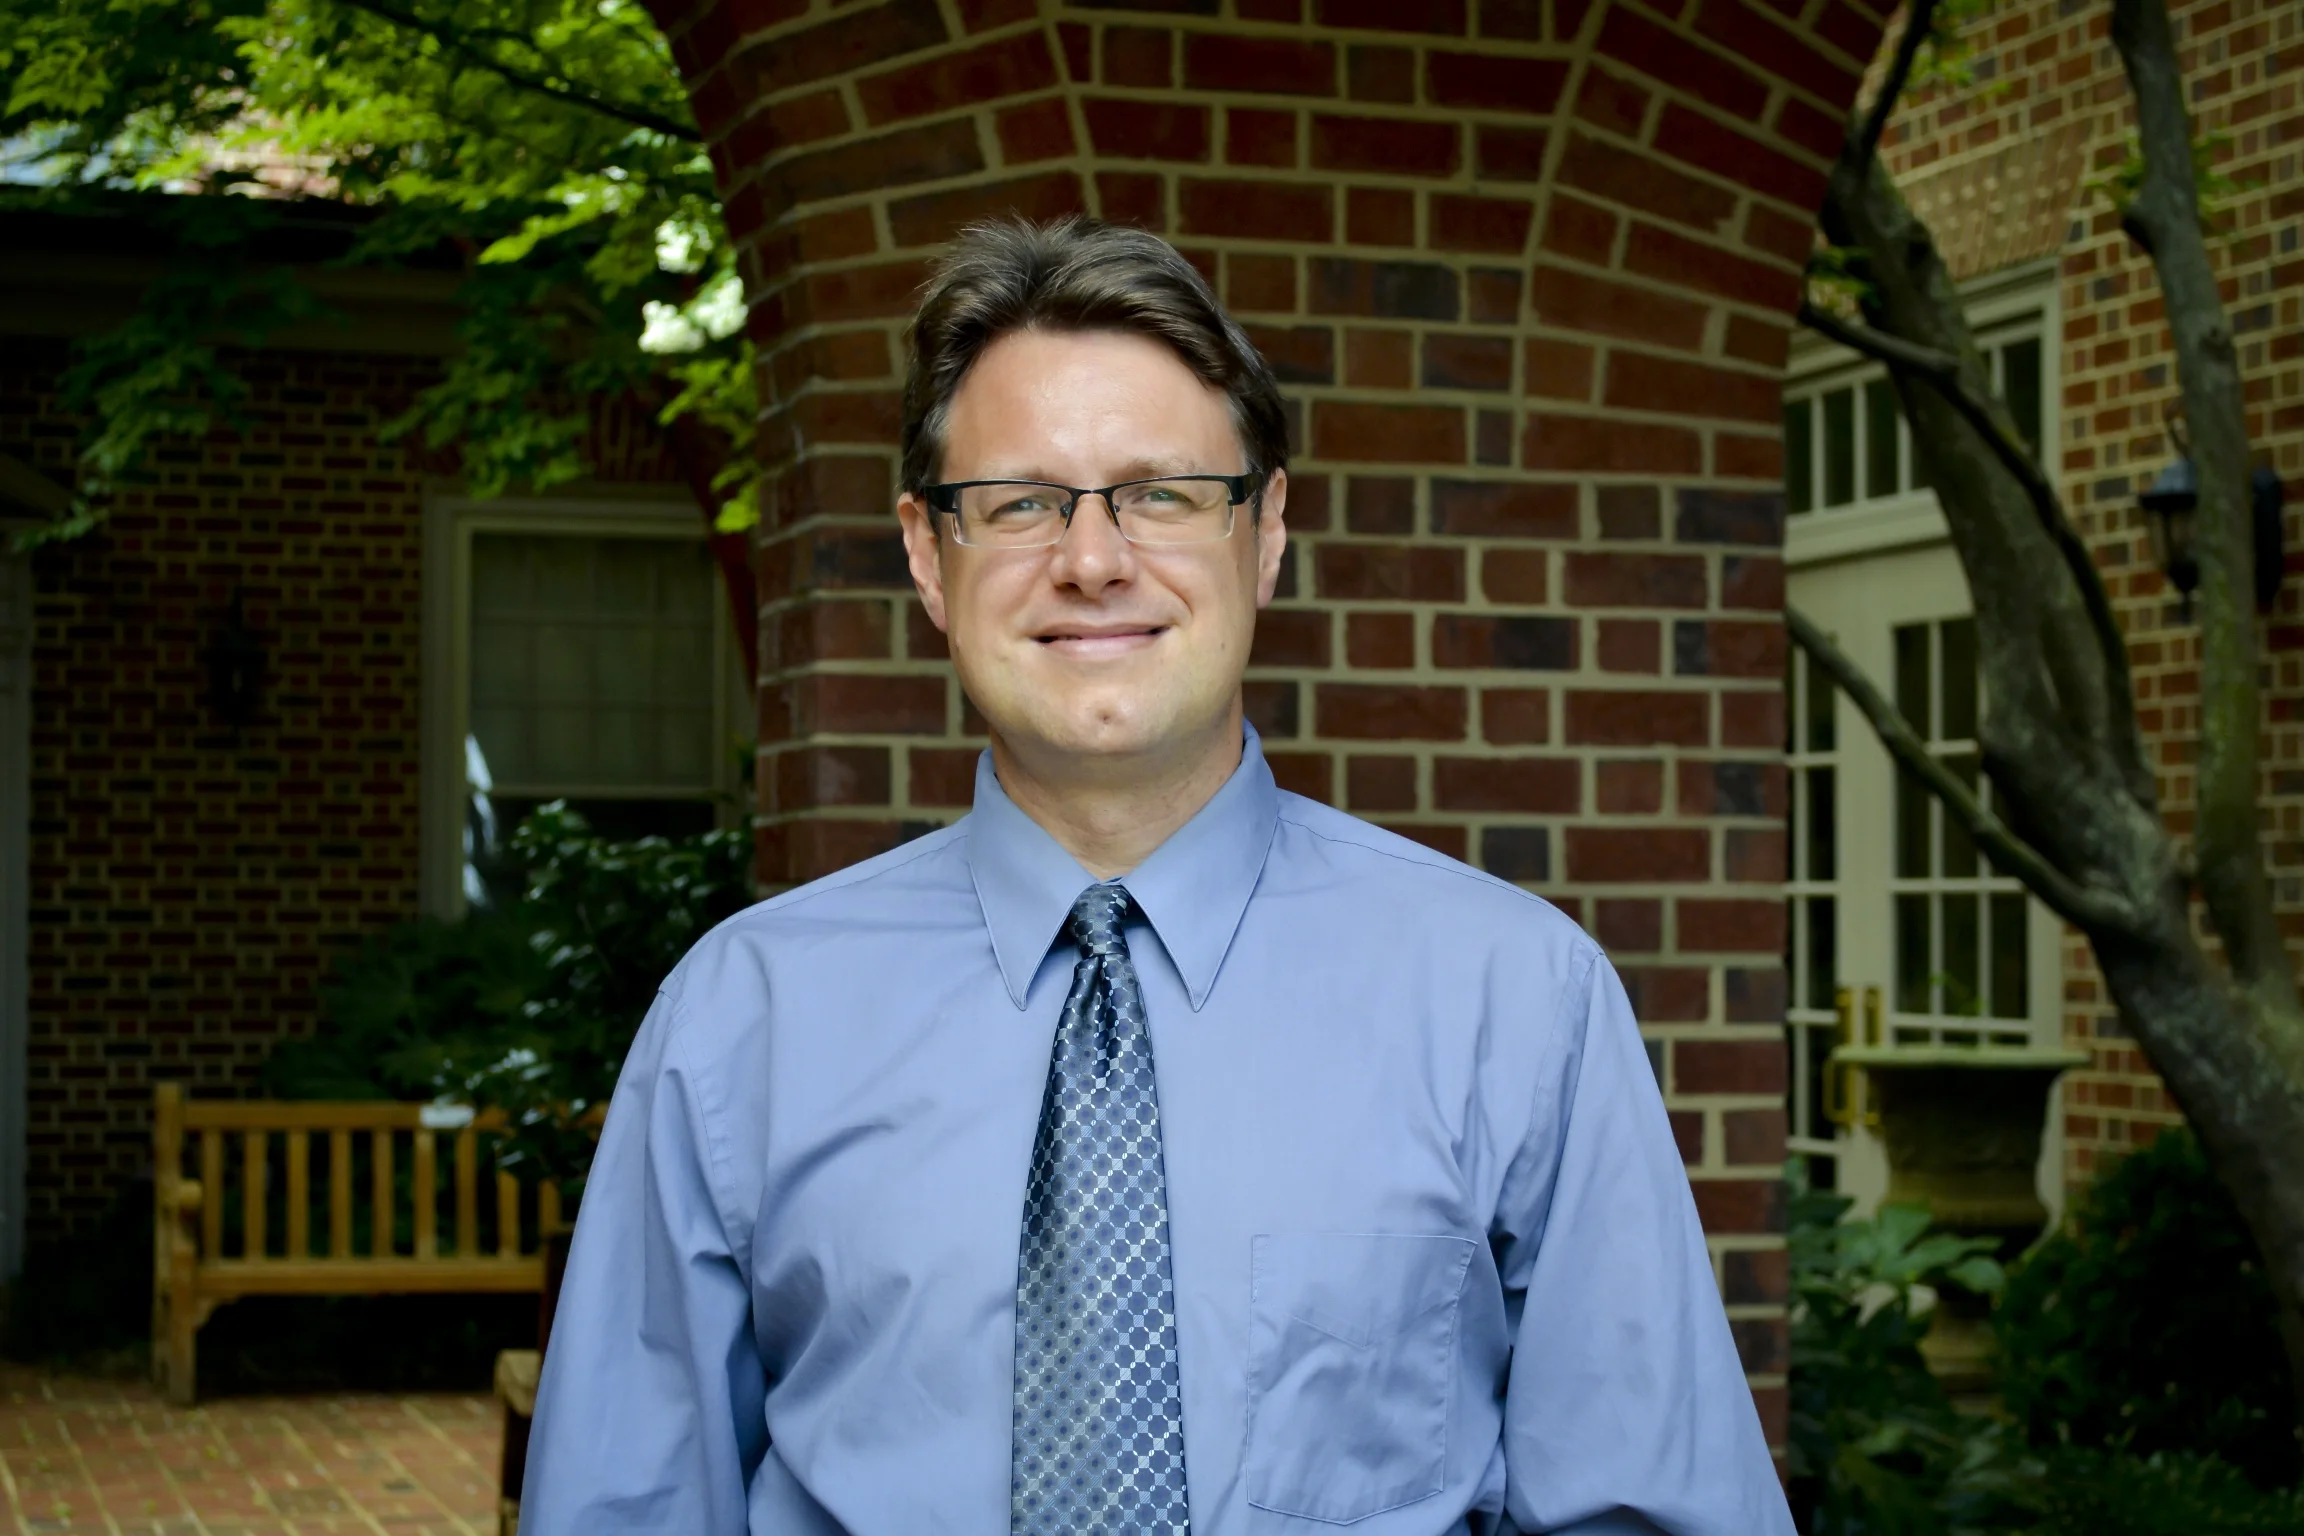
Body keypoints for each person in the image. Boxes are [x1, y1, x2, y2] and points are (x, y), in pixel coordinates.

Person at [520, 215, 1793, 1534]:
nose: (1091, 560)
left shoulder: (1514, 1000)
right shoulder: (744, 1023)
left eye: (1163, 496)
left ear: (1267, 531)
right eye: (1017, 503)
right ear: (925, 554)